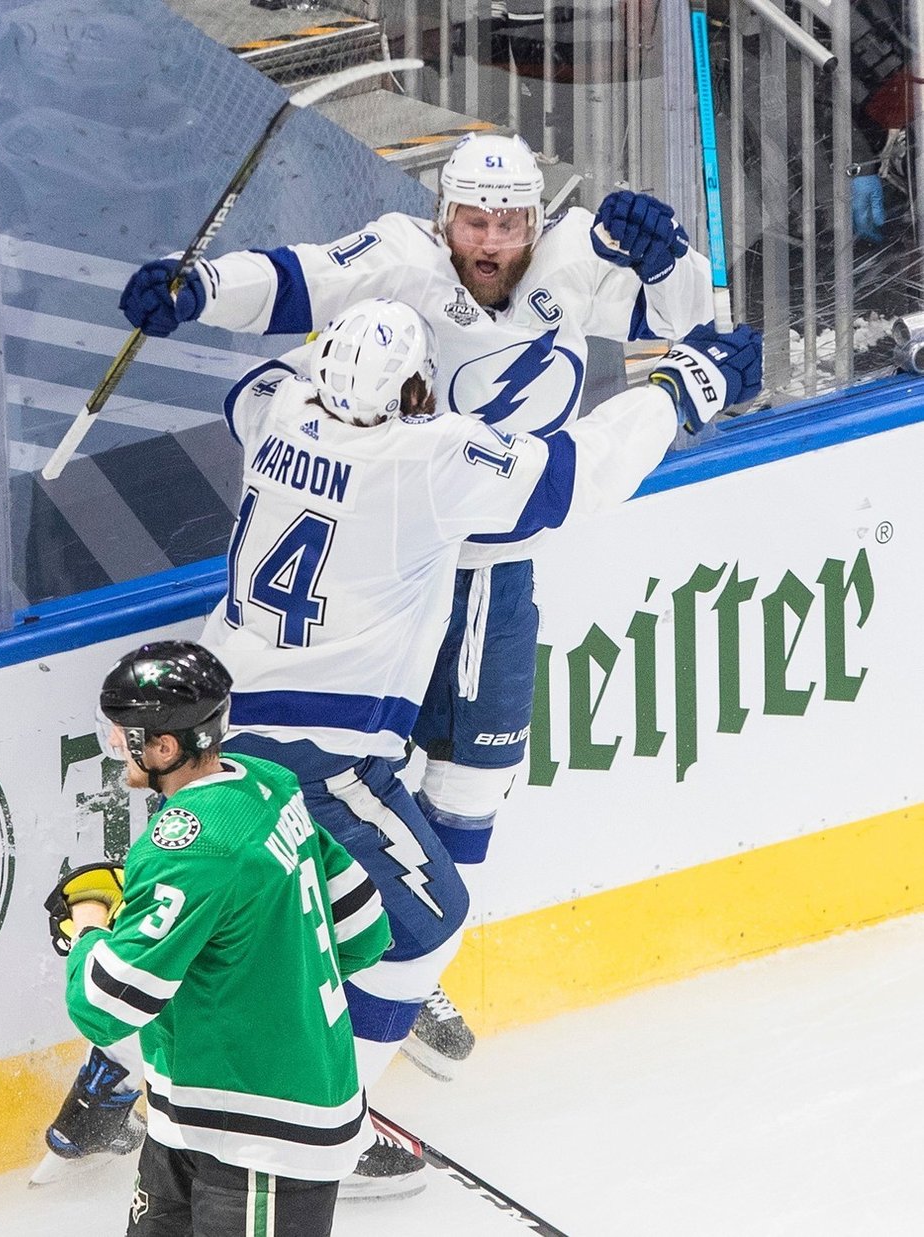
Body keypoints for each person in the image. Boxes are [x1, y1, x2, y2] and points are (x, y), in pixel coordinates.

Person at [118, 131, 717, 1079]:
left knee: (469, 786)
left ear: (538, 219)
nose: (491, 241)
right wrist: (202, 291)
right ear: (445, 219)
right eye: (474, 221)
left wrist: (673, 258)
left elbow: (692, 315)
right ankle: (386, 975)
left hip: (485, 566)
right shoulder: (399, 257)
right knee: (366, 789)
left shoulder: (579, 262)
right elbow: (295, 280)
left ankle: (396, 964)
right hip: (394, 561)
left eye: (510, 222)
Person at [44, 639, 391, 1236]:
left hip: (265, 1139)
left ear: (165, 746)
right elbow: (363, 928)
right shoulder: (268, 784)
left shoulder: (192, 847)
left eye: (123, 732)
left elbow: (105, 1005)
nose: (114, 745)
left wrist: (91, 921)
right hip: (191, 1116)